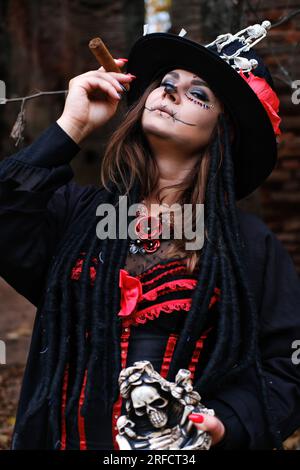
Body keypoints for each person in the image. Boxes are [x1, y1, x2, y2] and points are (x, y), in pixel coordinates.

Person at [0, 22, 299, 450]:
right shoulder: (78, 215)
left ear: (223, 131)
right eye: (166, 83)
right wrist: (71, 126)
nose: (172, 94)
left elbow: (286, 366)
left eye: (199, 94)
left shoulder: (247, 246)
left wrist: (224, 424)